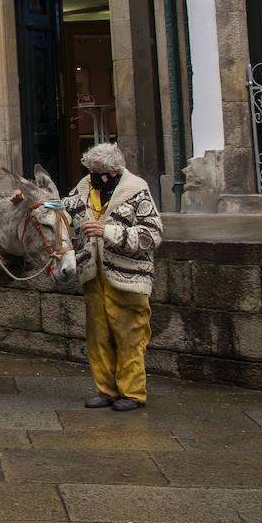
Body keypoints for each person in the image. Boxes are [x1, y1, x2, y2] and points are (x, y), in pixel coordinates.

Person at [62, 143, 163, 411]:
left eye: (98, 171)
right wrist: (29, 201)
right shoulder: (85, 186)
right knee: (98, 336)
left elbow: (151, 235)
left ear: (113, 170)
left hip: (128, 277)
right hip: (94, 276)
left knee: (130, 335)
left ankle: (132, 393)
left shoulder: (136, 190)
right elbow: (61, 208)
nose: (92, 175)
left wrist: (108, 232)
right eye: (91, 170)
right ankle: (106, 390)